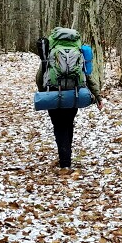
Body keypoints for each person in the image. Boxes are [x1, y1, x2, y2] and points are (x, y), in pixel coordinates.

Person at [35, 30, 102, 169]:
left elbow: (40, 76)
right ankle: (67, 157)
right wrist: (98, 97)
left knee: (58, 126)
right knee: (68, 124)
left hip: (54, 93)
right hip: (74, 94)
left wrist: (44, 93)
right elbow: (88, 76)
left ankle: (64, 159)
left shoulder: (51, 52)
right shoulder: (77, 52)